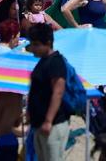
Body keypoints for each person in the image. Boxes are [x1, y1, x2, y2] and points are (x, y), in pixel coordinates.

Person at [27, 23, 71, 161]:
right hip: (39, 124)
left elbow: (58, 92)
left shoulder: (56, 62)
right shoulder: (43, 62)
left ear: (48, 43)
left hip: (53, 125)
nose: (32, 48)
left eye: (36, 44)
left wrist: (48, 120)